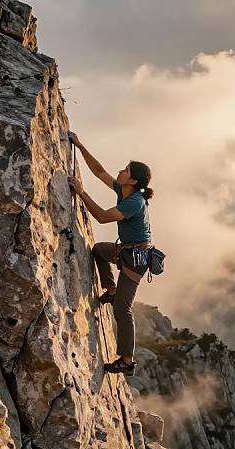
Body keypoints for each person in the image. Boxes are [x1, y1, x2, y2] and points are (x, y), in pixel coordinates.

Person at [66, 131, 154, 377]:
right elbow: (99, 171)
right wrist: (80, 145)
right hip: (125, 250)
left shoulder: (133, 201)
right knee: (99, 250)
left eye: (126, 170)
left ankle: (127, 360)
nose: (121, 171)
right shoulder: (124, 191)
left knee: (122, 309)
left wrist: (80, 192)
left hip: (136, 260)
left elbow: (103, 217)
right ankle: (111, 290)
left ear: (134, 181)